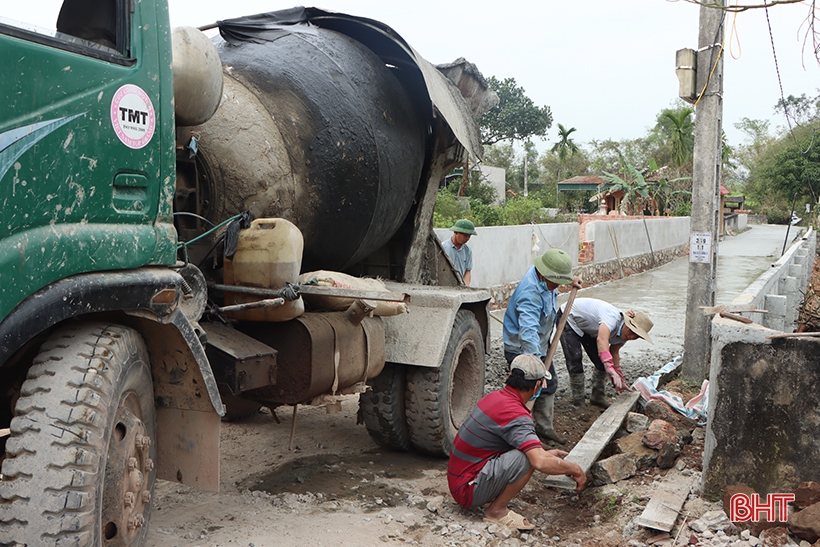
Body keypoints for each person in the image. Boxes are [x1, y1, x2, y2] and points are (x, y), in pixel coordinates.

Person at [447, 354, 586, 530]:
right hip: (467, 490)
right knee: (526, 459)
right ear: (537, 385)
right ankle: (496, 511)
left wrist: (543, 452)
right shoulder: (517, 415)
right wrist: (575, 469)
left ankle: (488, 495)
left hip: (459, 479)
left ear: (510, 376)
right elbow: (539, 462)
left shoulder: (495, 397)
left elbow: (516, 443)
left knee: (528, 454)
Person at [502, 249, 581, 444]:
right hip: (523, 350)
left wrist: (570, 281)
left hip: (542, 345)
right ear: (544, 275)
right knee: (525, 392)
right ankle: (517, 434)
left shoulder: (544, 276)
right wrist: (536, 366)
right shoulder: (530, 294)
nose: (558, 286)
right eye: (558, 282)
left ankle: (544, 428)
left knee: (549, 384)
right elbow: (528, 333)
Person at [557, 297, 654, 409]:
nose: (631, 336)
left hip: (589, 327)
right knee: (575, 359)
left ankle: (597, 397)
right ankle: (578, 402)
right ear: (627, 324)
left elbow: (614, 353)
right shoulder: (612, 318)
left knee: (601, 363)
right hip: (569, 316)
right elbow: (602, 340)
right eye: (631, 331)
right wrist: (609, 367)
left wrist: (618, 376)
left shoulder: (624, 335)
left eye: (636, 336)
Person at [442, 219, 477, 286]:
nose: (467, 238)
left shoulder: (467, 250)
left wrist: (465, 287)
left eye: (469, 236)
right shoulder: (443, 248)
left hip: (460, 286)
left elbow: (468, 271)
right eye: (465, 235)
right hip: (445, 286)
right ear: (456, 232)